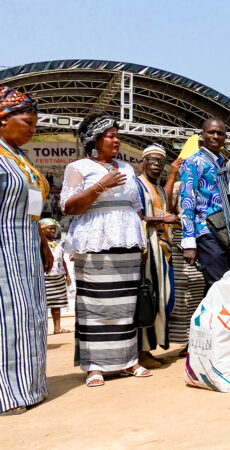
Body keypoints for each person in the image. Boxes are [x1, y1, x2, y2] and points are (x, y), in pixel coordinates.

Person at [61, 114, 150, 387]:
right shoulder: (78, 167)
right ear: (94, 140)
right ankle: (94, 366)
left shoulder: (127, 167)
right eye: (110, 136)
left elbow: (136, 208)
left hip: (127, 242)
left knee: (125, 306)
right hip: (94, 244)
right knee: (95, 306)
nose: (116, 140)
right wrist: (102, 185)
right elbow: (69, 207)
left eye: (117, 135)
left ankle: (128, 360)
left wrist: (141, 240)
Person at [0, 87, 52, 415]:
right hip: (4, 249)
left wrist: (44, 243)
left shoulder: (21, 158)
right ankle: (8, 394)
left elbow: (31, 209)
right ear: (2, 120)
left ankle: (30, 386)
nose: (33, 130)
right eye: (27, 121)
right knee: (7, 317)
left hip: (28, 249)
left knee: (30, 315)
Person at [179, 118, 230, 292]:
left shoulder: (221, 163)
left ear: (225, 137)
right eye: (211, 132)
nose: (215, 136)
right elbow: (187, 201)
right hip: (206, 232)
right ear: (202, 135)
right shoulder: (194, 162)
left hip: (223, 233)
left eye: (220, 133)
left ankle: (207, 320)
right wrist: (189, 242)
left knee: (215, 289)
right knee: (219, 288)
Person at [135, 144, 180, 368]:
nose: (156, 164)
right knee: (148, 299)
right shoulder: (137, 186)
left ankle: (149, 348)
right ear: (143, 162)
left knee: (164, 299)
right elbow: (136, 217)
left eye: (160, 161)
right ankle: (142, 352)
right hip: (148, 248)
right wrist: (162, 220)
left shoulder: (160, 189)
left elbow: (166, 210)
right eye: (152, 160)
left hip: (163, 248)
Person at [165, 156, 204, 354]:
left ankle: (196, 341)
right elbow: (166, 203)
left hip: (204, 237)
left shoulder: (208, 184)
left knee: (199, 288)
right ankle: (183, 339)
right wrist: (172, 174)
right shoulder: (179, 185)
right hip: (181, 238)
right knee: (180, 290)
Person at [40, 218, 71, 333]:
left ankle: (57, 328)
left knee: (57, 304)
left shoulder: (58, 243)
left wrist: (67, 274)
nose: (53, 231)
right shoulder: (39, 244)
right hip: (45, 277)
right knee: (44, 303)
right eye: (50, 228)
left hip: (58, 277)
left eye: (54, 228)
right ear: (42, 230)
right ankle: (43, 330)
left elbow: (62, 260)